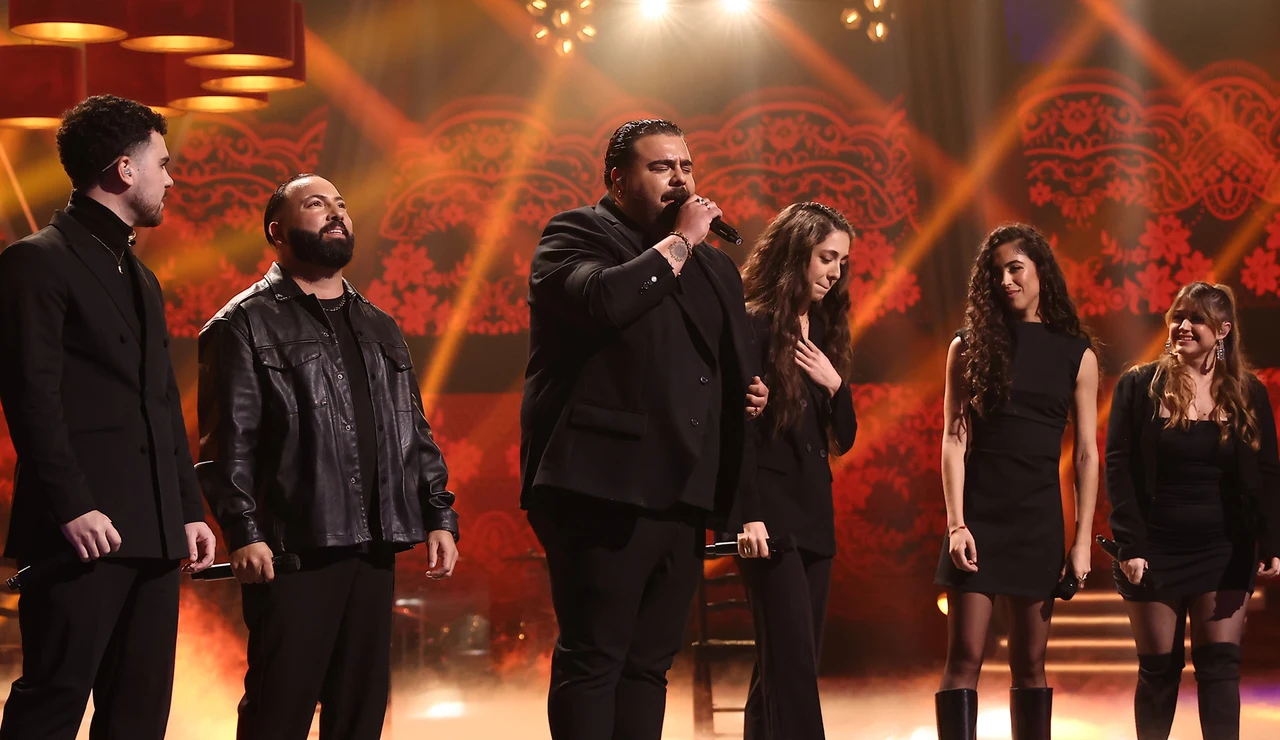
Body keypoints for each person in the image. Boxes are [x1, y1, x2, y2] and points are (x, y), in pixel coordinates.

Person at [520, 118, 769, 740]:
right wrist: (679, 244)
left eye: (686, 166)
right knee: (596, 655)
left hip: (682, 491)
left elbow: (727, 370)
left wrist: (751, 396)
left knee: (650, 664)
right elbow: (604, 302)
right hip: (601, 486)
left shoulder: (715, 269)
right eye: (662, 167)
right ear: (617, 178)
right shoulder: (576, 234)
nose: (680, 179)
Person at [196, 173, 460, 740]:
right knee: (278, 711)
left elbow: (413, 428)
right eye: (316, 205)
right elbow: (227, 442)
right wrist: (242, 530)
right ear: (278, 230)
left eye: (341, 203)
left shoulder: (379, 325)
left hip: (375, 545)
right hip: (294, 548)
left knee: (361, 712)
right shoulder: (243, 322)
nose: (336, 213)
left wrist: (438, 513)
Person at [0, 94, 216, 740]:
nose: (171, 180)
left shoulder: (142, 277)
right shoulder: (36, 262)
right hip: (81, 532)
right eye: (163, 164)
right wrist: (72, 506)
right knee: (52, 704)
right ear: (124, 170)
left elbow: (159, 403)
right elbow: (30, 398)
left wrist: (188, 509)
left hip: (153, 533)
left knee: (140, 717)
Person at [934, 223, 1099, 740]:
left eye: (1015, 268)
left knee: (1030, 666)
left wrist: (1081, 544)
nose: (1005, 280)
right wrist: (957, 524)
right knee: (963, 658)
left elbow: (1089, 456)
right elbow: (953, 440)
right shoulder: (968, 347)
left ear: (1040, 273)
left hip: (1037, 521)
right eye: (996, 271)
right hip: (979, 518)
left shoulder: (1078, 354)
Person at [1107, 281, 1280, 740]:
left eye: (1196, 319)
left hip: (1224, 549)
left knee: (1220, 666)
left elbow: (1267, 472)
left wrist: (1272, 539)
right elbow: (1118, 468)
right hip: (1155, 547)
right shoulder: (1139, 385)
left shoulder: (1247, 392)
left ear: (1222, 330)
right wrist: (1131, 542)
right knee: (1159, 667)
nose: (1182, 325)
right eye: (1177, 316)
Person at [733, 202, 858, 740]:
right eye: (827, 257)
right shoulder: (753, 323)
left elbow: (845, 438)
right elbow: (733, 433)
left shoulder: (826, 329)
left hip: (814, 515)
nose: (835, 271)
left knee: (783, 666)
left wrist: (835, 385)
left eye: (842, 262)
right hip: (770, 517)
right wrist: (748, 516)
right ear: (797, 252)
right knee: (792, 668)